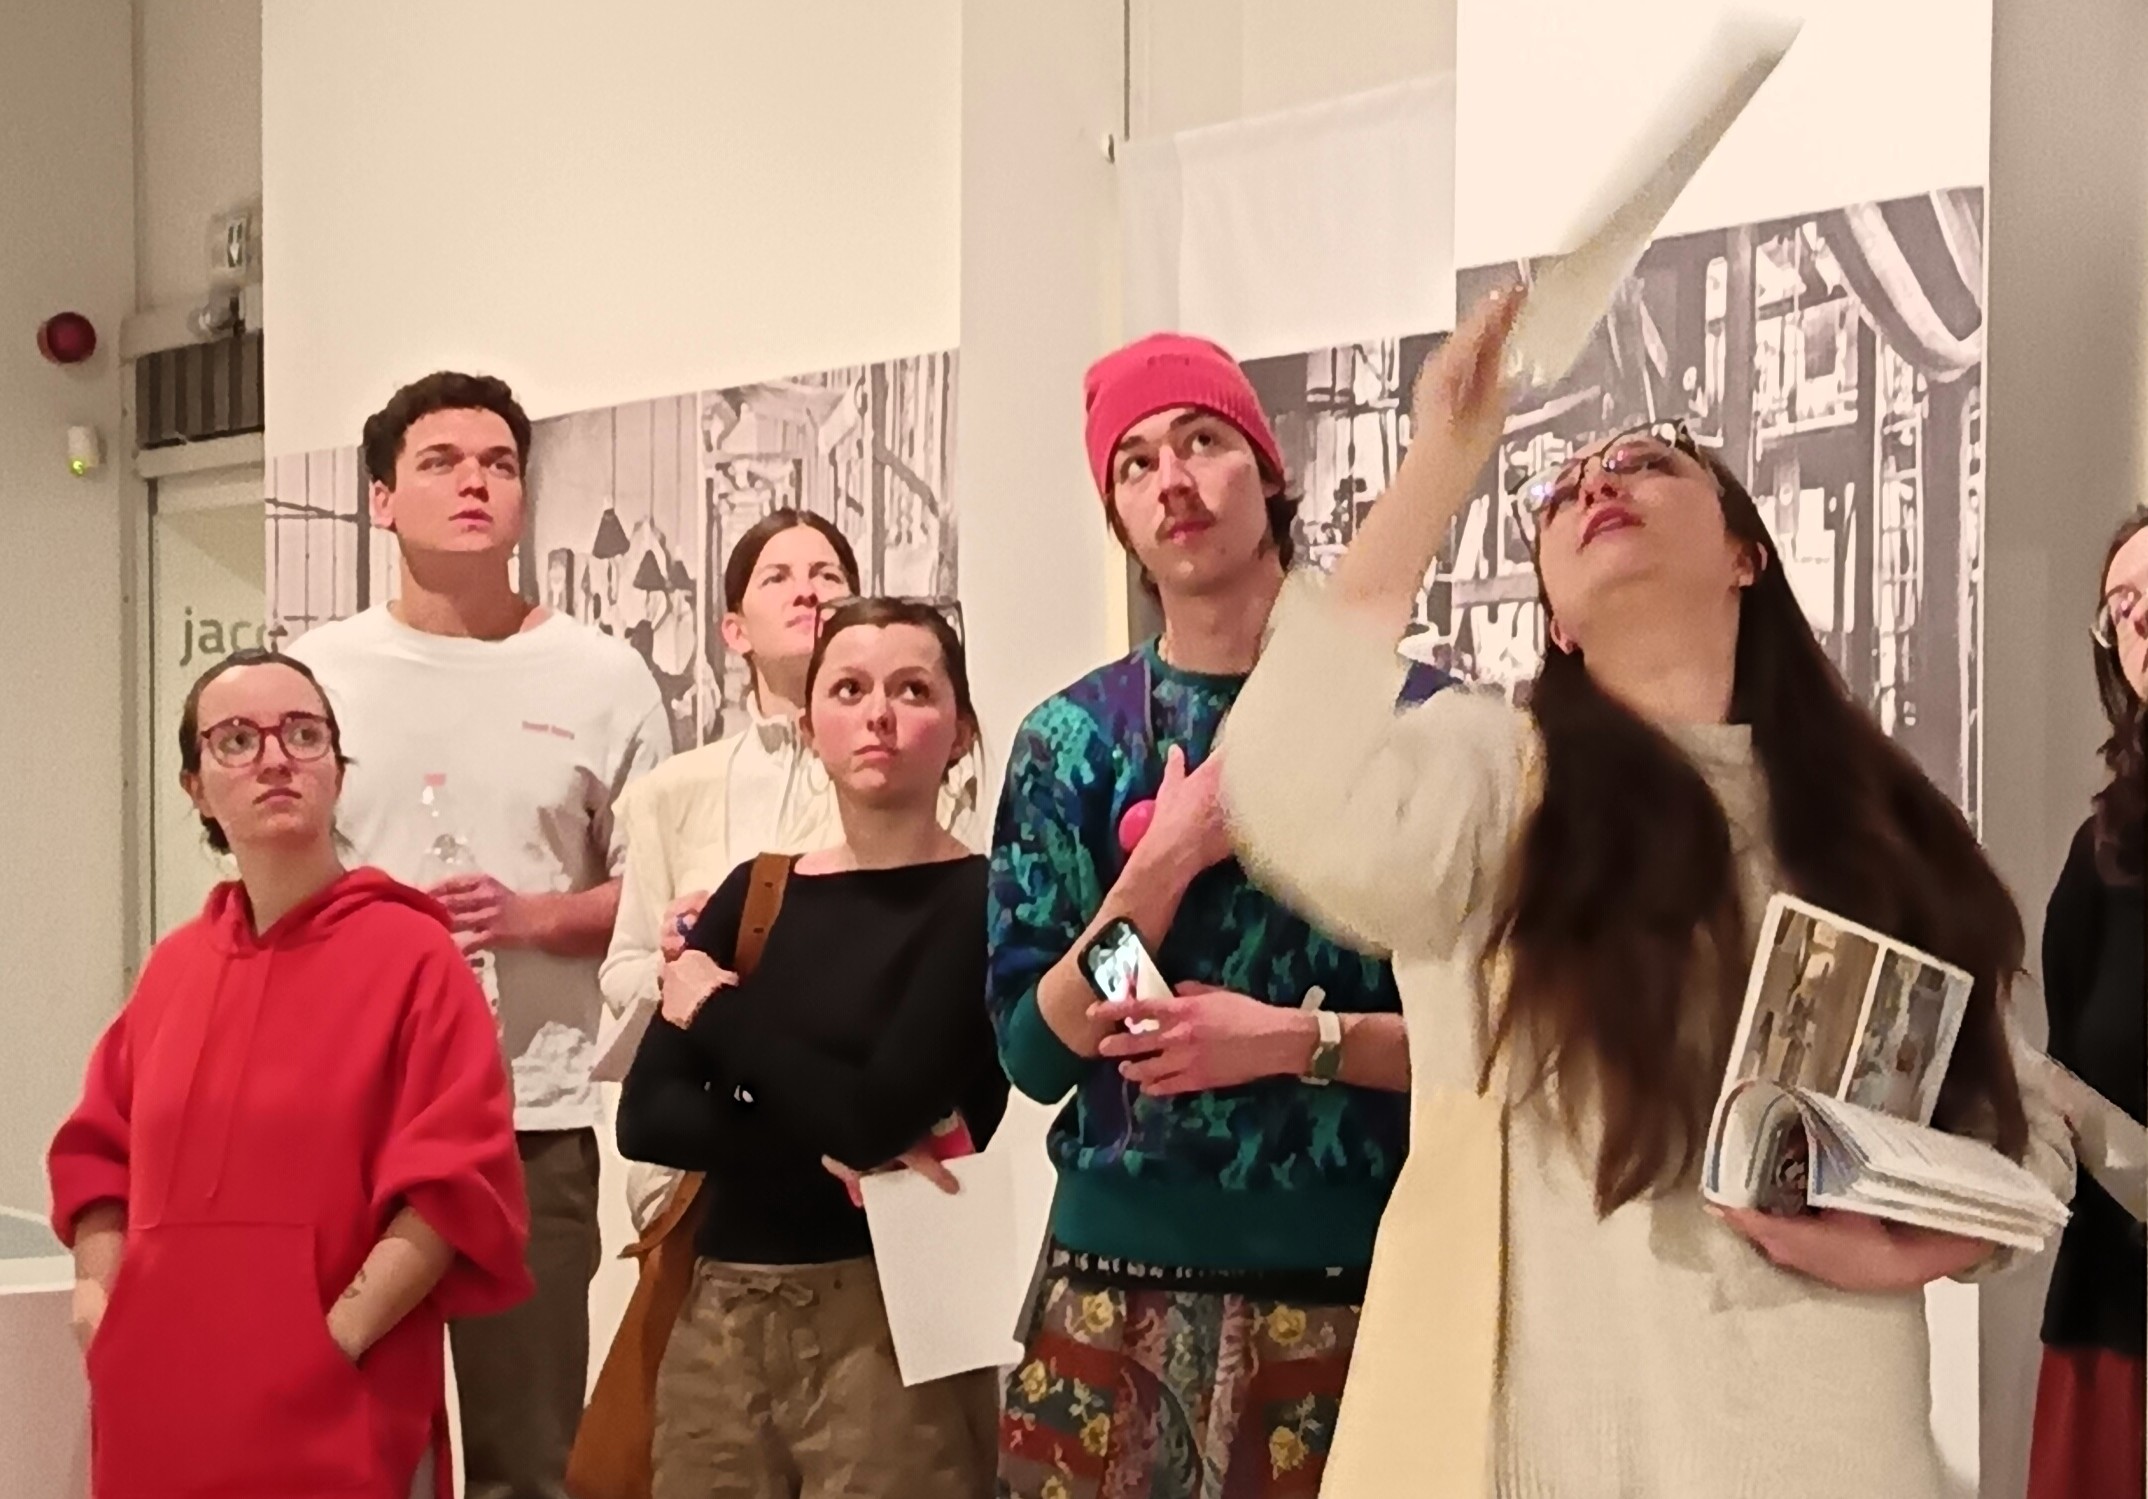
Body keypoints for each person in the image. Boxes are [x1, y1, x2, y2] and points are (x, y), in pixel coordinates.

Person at [1221, 293, 2072, 1498]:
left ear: (1745, 554)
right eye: (1559, 490)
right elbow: (1287, 787)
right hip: (1553, 1453)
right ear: (1556, 626)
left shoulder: (1876, 829)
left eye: (1646, 461)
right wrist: (1440, 460)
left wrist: (1925, 1240)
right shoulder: (1496, 782)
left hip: (1834, 1451)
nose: (1595, 483)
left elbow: (2023, 1131)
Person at [988, 333, 1411, 1497]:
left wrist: (1293, 1040)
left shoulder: (1411, 726)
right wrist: (1165, 861)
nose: (1171, 478)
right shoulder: (1073, 741)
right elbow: (1034, 1049)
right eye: (1134, 462)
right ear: (1118, 517)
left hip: (1361, 1285)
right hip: (1113, 1286)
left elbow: (1495, 1045)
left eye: (1202, 439)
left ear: (1269, 472)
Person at [289, 371, 672, 1499]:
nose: (476, 483)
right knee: (352, 1440)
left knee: (530, 1458)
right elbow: (277, 877)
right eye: (442, 461)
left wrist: (535, 915)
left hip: (530, 1122)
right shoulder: (320, 672)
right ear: (382, 498)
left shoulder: (603, 675)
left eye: (500, 464)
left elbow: (662, 885)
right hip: (352, 1116)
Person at [48, 649, 529, 1499]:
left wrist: (332, 1343)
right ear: (196, 787)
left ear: (338, 770)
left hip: (337, 1418)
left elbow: (453, 1185)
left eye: (302, 734)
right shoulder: (172, 968)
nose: (275, 758)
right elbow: (98, 1155)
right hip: (161, 1419)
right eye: (237, 739)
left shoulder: (415, 956)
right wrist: (101, 1306)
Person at [617, 596, 1007, 1498]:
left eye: (913, 689)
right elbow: (648, 1117)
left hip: (901, 1313)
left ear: (960, 731)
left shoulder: (985, 901)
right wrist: (827, 1135)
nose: (879, 714)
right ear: (809, 727)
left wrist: (716, 1010)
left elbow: (873, 1115)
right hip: (724, 1307)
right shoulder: (754, 895)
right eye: (849, 688)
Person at [595, 508, 978, 1232]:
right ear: (733, 628)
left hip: (895, 1233)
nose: (807, 591)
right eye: (778, 577)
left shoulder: (953, 860)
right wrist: (679, 973)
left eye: (827, 574)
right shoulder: (680, 800)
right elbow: (647, 1104)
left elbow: (890, 1099)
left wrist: (712, 1002)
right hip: (716, 1211)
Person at [2028, 509, 2147, 1499]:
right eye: (2123, 604)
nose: (2140, 618)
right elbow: (2067, 1065)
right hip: (2117, 1321)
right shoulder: (2102, 850)